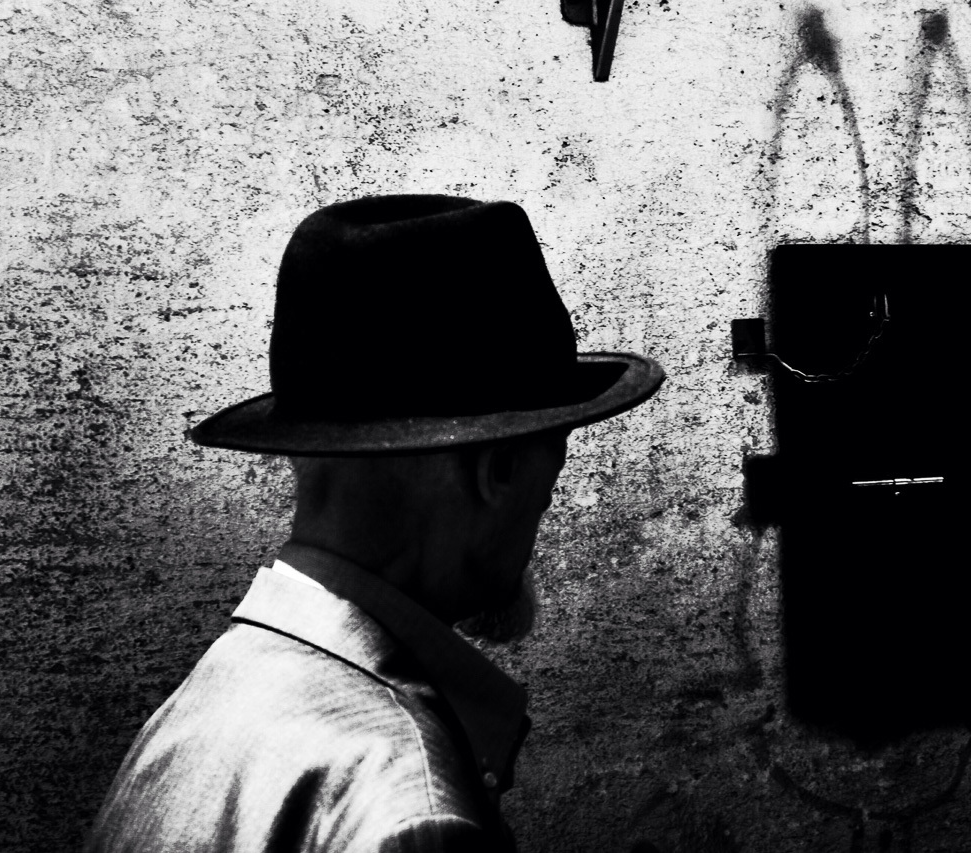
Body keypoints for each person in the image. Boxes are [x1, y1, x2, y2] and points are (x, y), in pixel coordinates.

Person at [86, 195, 665, 852]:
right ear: (498, 468)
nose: (545, 506)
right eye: (553, 458)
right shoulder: (412, 813)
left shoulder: (205, 706)